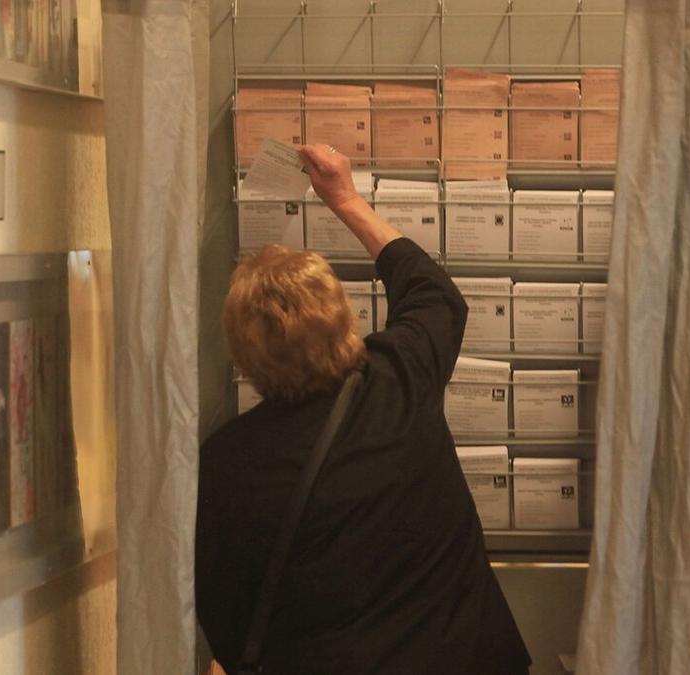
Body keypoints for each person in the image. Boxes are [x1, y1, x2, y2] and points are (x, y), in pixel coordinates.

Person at [195, 144, 532, 674]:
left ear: (244, 353)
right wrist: (345, 198)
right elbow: (433, 292)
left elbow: (228, 626)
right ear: (344, 320)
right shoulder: (398, 378)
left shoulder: (225, 463)